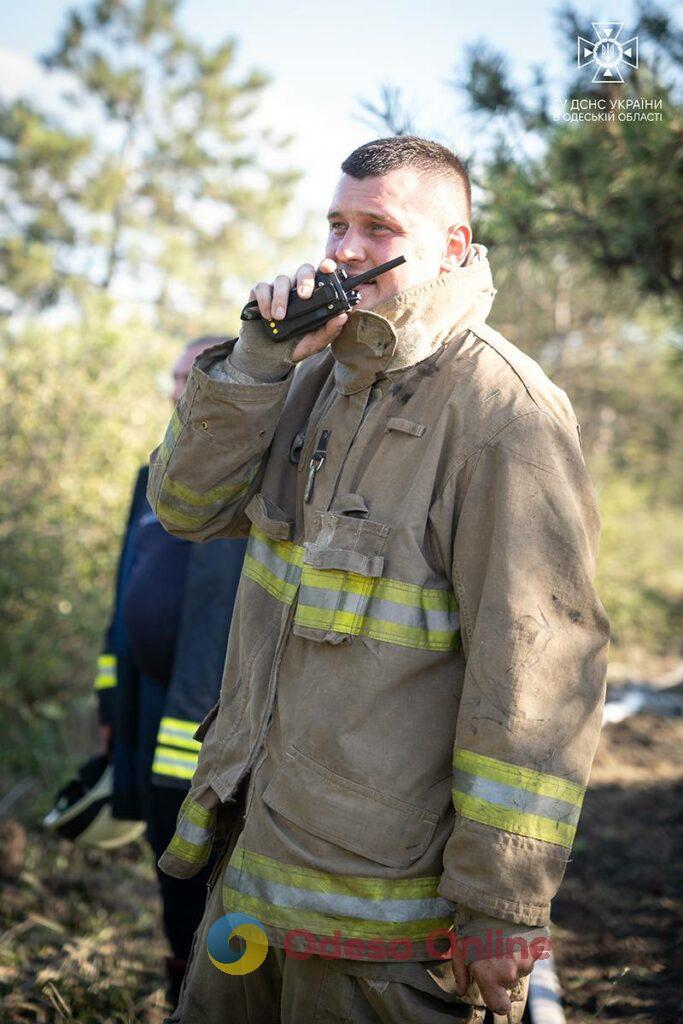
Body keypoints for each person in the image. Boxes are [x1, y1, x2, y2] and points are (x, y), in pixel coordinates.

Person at [148, 137, 610, 1023]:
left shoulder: (503, 413)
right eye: (336, 224)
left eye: (376, 226)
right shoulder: (310, 370)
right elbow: (185, 508)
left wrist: (501, 908)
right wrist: (252, 362)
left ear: (450, 243)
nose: (345, 249)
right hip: (251, 878)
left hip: (387, 932)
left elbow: (539, 676)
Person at [93, 336, 247, 1007]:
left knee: (215, 863)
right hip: (145, 708)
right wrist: (107, 706)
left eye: (198, 378)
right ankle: (180, 989)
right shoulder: (149, 476)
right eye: (178, 378)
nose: (183, 390)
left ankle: (227, 995)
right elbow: (121, 595)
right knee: (165, 850)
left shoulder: (250, 480)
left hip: (212, 719)